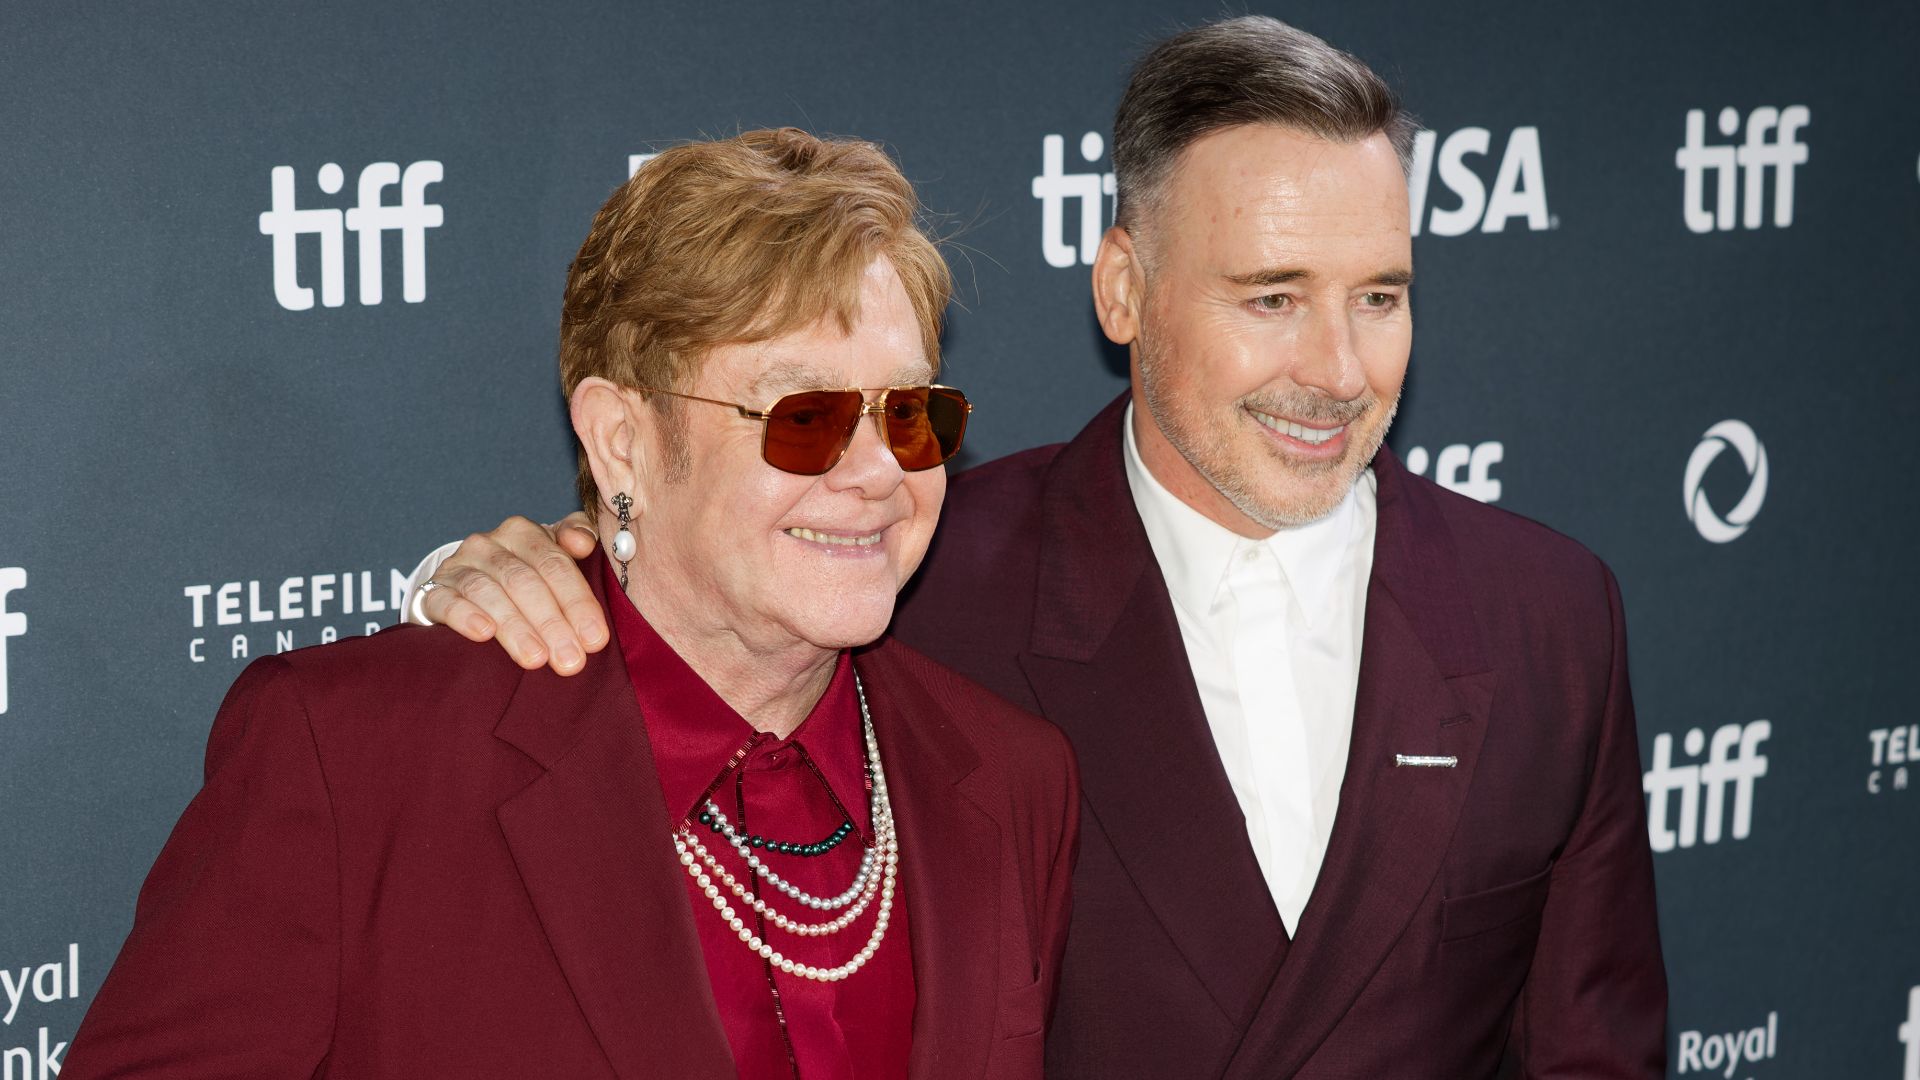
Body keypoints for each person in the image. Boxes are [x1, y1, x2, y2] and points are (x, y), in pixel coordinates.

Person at [410, 16, 1668, 1079]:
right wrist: (500, 579)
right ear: (1122, 289)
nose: (1336, 371)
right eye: (1272, 297)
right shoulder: (907, 572)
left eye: (1379, 298)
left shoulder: (1547, 616)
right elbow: (679, 621)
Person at [64, 128, 1078, 1080]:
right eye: (803, 416)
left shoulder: (1006, 781)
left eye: (911, 412)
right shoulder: (357, 761)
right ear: (622, 439)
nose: (876, 473)